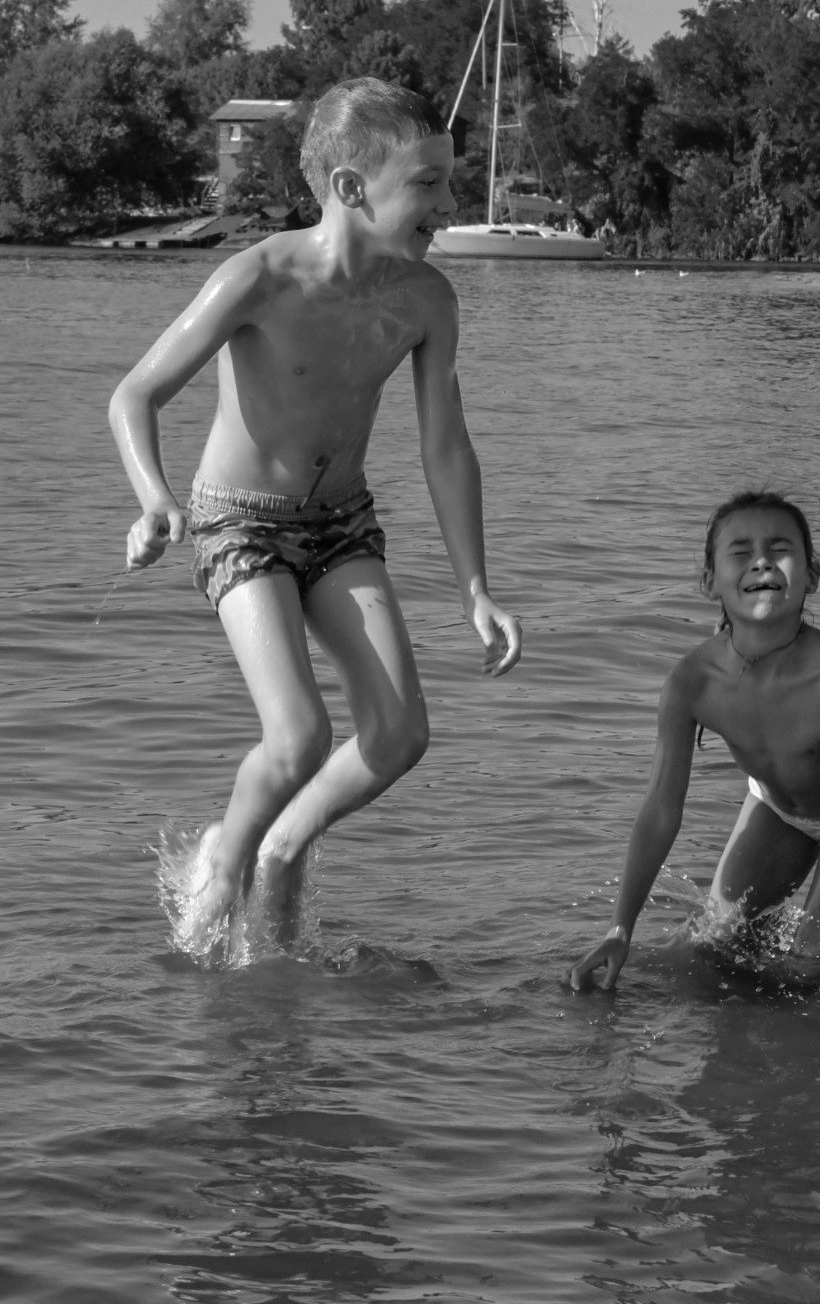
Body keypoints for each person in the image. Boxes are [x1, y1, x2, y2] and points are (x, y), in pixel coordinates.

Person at [109, 78, 524, 948]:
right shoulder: (260, 278)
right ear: (349, 186)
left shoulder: (426, 299)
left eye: (448, 182)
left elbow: (446, 447)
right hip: (239, 522)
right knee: (298, 735)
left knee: (399, 733)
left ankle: (285, 843)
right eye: (428, 184)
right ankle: (227, 855)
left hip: (341, 524)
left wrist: (475, 588)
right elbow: (135, 395)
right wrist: (156, 500)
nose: (449, 205)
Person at [568, 494, 820, 992]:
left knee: (806, 969)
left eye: (780, 549)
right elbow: (661, 809)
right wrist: (619, 929)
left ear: (811, 576)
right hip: (775, 810)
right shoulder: (692, 682)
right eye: (741, 551)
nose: (762, 562)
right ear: (710, 581)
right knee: (711, 947)